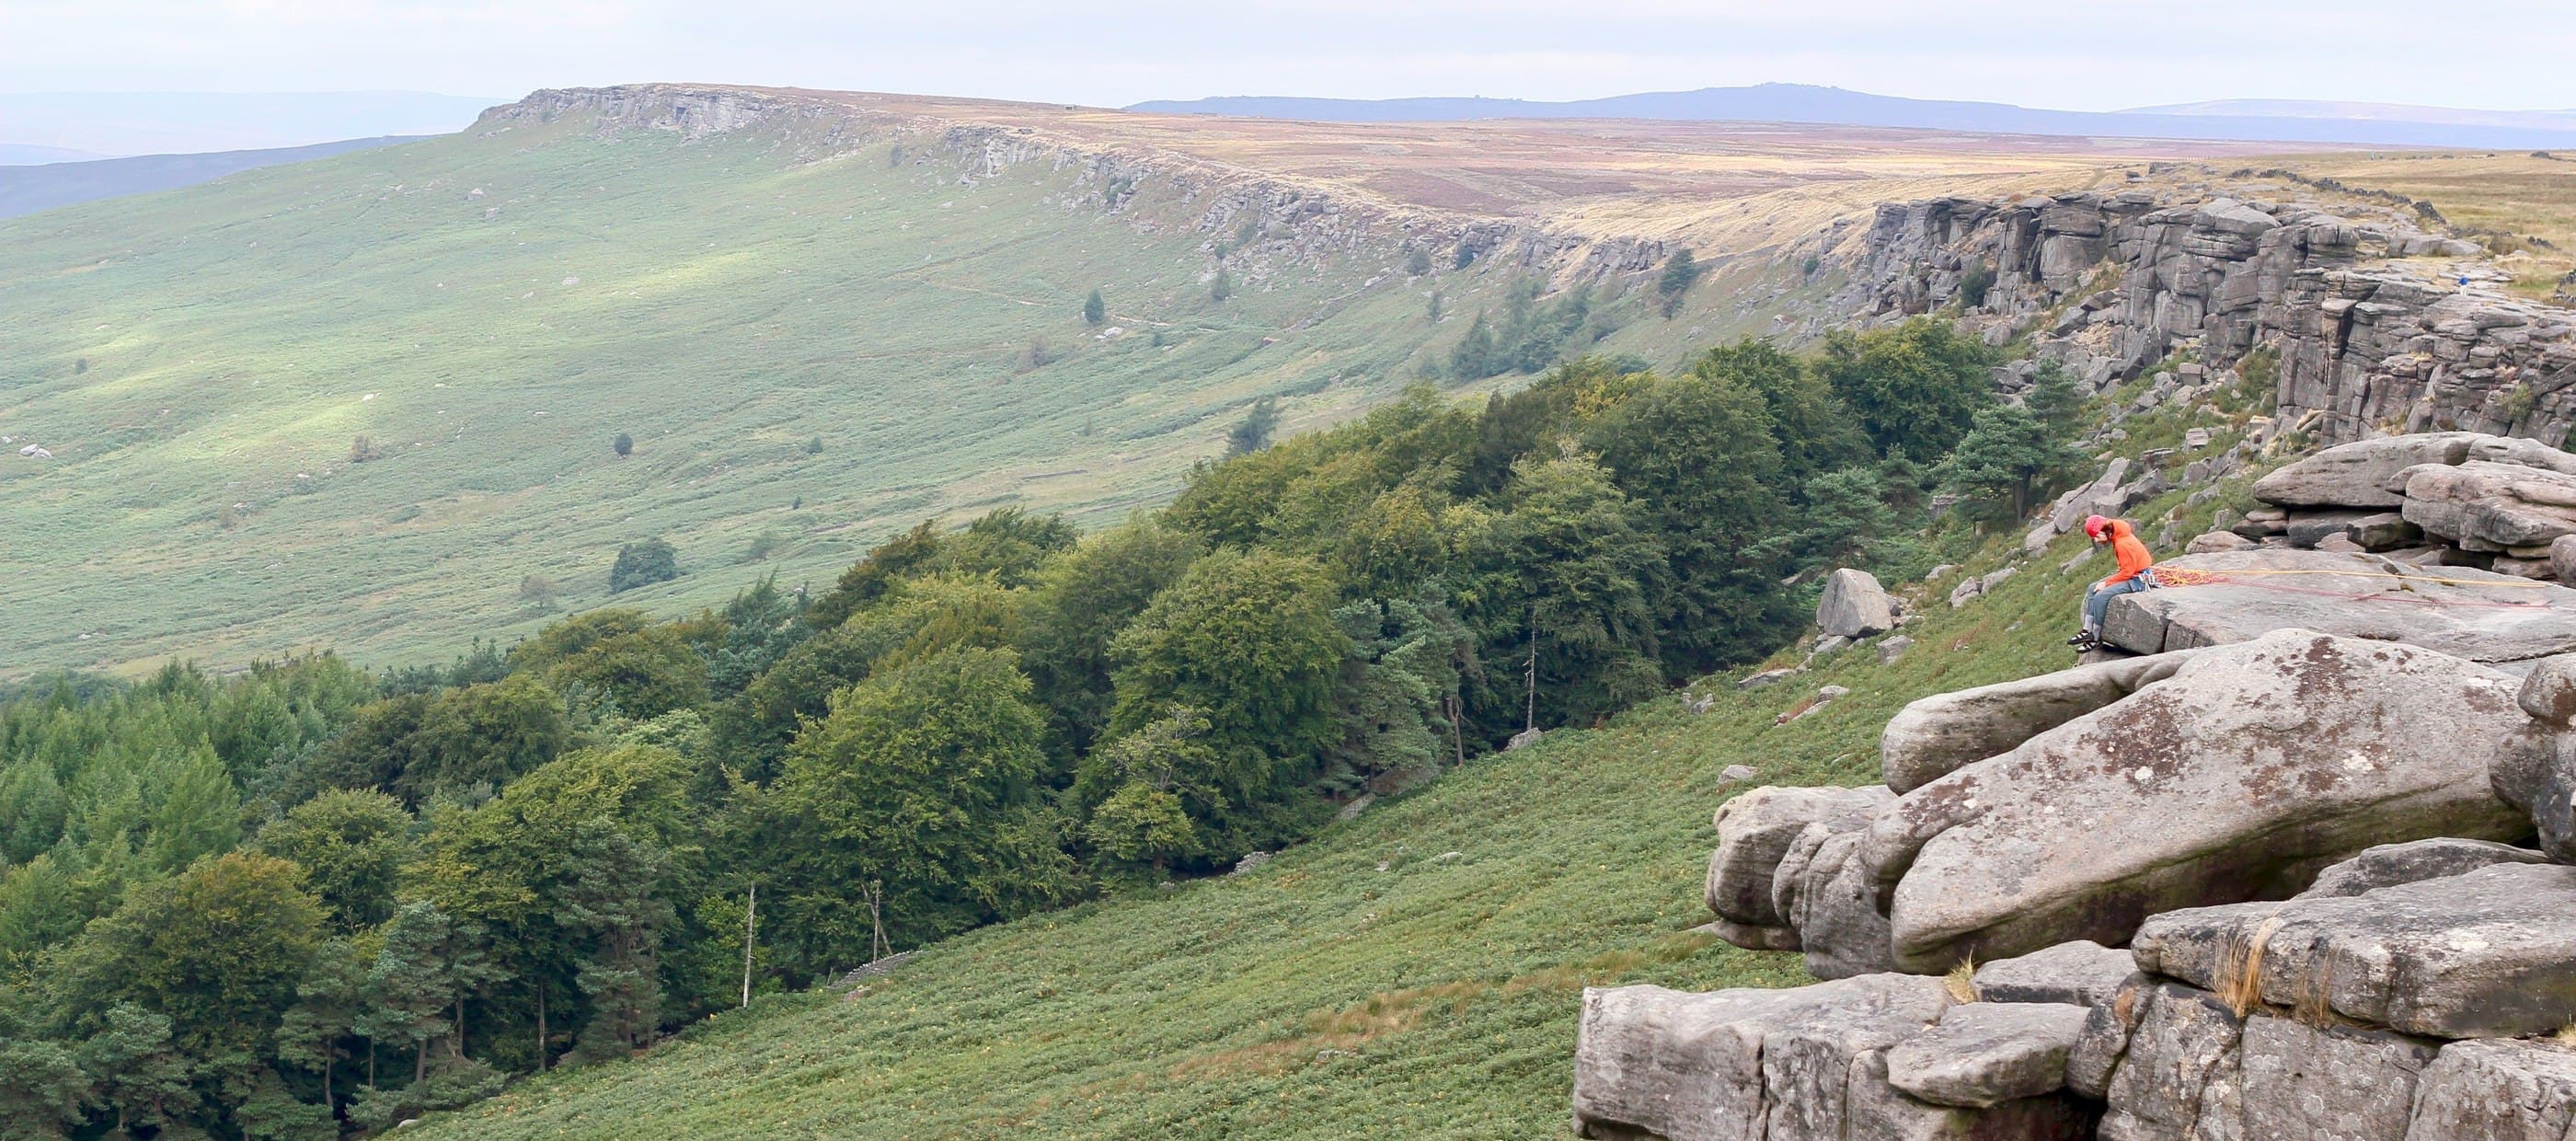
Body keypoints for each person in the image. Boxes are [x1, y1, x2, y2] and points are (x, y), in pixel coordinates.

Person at [2069, 514, 2155, 651]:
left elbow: (2128, 572)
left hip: (2138, 579)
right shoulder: (2116, 532)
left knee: (2100, 597)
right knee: (2092, 588)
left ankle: (2095, 637)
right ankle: (2086, 630)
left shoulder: (2122, 543)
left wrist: (2107, 583)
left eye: (2097, 537)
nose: (2096, 541)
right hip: (2133, 573)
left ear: (2105, 531)